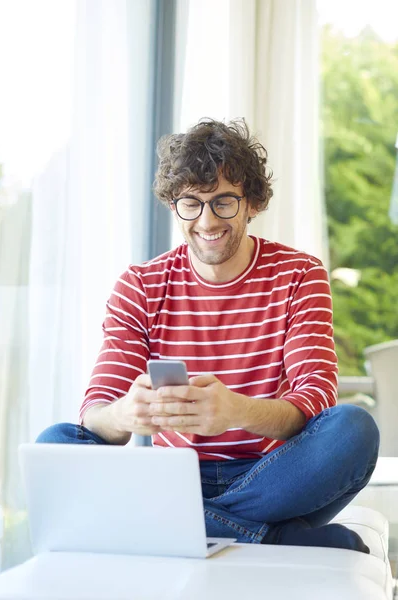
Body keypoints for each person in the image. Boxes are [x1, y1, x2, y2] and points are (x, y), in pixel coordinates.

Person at [37, 118, 379, 552]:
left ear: (251, 203)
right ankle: (271, 536)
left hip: (273, 475)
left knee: (354, 429)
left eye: (223, 202)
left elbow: (315, 401)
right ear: (173, 205)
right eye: (191, 204)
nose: (206, 220)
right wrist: (126, 414)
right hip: (172, 478)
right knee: (56, 442)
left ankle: (184, 526)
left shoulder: (299, 274)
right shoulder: (141, 285)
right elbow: (97, 414)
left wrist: (236, 411)